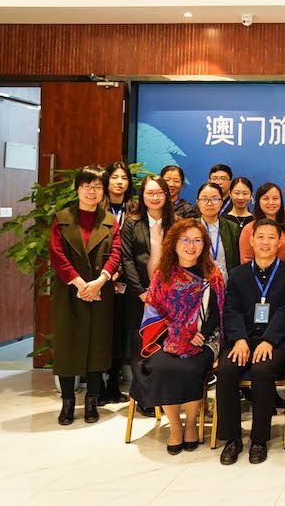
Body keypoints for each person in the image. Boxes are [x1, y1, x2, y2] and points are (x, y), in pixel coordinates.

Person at [131, 219, 224, 454]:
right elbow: (153, 312)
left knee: (191, 368)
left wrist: (201, 334)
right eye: (185, 240)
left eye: (197, 241)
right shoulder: (162, 274)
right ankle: (175, 427)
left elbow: (218, 313)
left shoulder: (212, 274)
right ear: (174, 243)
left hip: (204, 338)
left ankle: (191, 424)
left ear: (204, 245)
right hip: (166, 338)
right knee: (162, 367)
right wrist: (173, 336)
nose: (191, 246)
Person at [216, 218, 285, 465]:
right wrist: (239, 339)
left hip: (277, 341)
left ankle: (259, 439)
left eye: (271, 237)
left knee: (262, 370)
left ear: (280, 242)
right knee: (226, 369)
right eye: (260, 237)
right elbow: (231, 309)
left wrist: (268, 341)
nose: (265, 242)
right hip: (243, 339)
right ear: (252, 241)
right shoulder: (238, 274)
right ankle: (232, 439)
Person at [48, 165, 123, 426]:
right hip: (70, 291)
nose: (92, 191)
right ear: (78, 189)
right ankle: (68, 401)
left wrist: (100, 281)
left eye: (97, 187)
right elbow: (57, 254)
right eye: (87, 186)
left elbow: (116, 253)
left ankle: (92, 399)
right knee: (68, 344)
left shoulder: (109, 220)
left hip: (101, 292)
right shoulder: (62, 218)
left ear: (103, 191)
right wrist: (81, 285)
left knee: (97, 344)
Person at [120, 176, 176, 379]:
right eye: (150, 193)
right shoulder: (131, 223)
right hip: (140, 296)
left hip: (170, 296)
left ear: (166, 195)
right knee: (139, 345)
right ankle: (141, 391)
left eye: (159, 193)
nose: (155, 197)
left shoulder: (176, 223)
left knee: (165, 345)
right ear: (142, 196)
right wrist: (142, 293)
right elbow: (127, 260)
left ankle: (161, 389)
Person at [100, 160, 137, 405]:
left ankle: (113, 383)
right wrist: (107, 273)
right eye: (115, 177)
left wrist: (120, 271)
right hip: (100, 279)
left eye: (124, 178)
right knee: (102, 331)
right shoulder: (98, 208)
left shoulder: (134, 209)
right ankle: (99, 385)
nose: (119, 182)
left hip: (127, 280)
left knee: (121, 332)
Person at [195, 182, 242, 278]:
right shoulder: (189, 227)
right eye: (204, 199)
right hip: (198, 282)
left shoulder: (232, 228)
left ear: (221, 202)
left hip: (227, 282)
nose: (209, 203)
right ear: (198, 202)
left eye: (215, 199)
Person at [239, 182, 285, 263]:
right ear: (258, 201)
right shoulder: (249, 229)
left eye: (275, 198)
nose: (271, 202)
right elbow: (246, 261)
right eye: (266, 199)